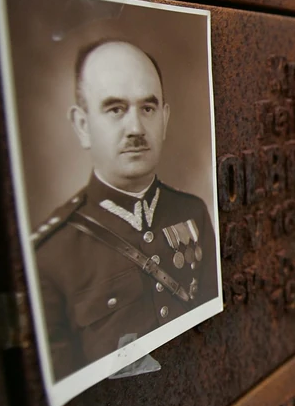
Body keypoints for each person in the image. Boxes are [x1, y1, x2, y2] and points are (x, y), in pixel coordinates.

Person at [31, 39, 218, 381]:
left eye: (147, 108)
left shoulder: (192, 213)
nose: (135, 128)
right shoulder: (51, 255)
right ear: (82, 125)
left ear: (164, 117)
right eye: (115, 109)